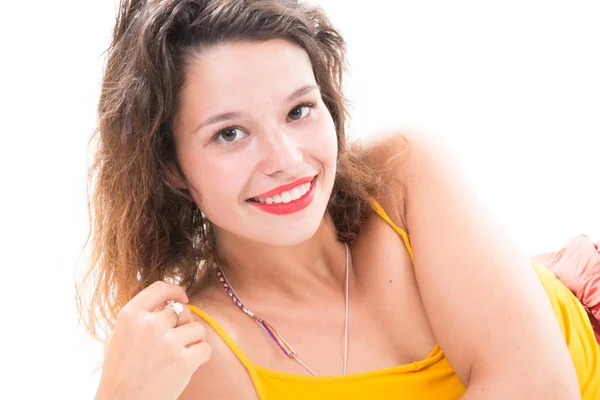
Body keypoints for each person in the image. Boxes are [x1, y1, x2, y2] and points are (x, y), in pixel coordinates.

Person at [78, 1, 600, 399]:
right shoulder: (200, 356)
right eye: (230, 134)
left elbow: (541, 388)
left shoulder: (400, 178)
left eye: (299, 111)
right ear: (170, 167)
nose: (285, 158)